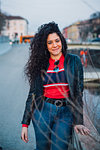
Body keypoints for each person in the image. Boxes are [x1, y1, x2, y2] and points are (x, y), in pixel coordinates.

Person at [21, 22, 90, 150]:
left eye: (57, 40)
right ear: (45, 46)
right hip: (42, 112)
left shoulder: (74, 61)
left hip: (65, 113)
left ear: (62, 41)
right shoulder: (40, 65)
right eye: (50, 42)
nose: (54, 45)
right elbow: (33, 94)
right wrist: (25, 124)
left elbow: (78, 93)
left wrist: (79, 121)